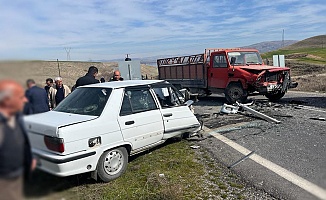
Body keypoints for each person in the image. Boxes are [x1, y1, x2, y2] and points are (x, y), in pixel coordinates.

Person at [0, 80, 36, 200]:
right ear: (7, 101)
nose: (25, 100)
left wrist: (29, 160)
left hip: (19, 175)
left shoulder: (18, 117)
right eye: (21, 97)